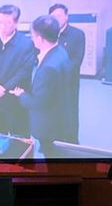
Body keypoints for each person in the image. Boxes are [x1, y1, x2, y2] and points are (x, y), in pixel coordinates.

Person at [9, 15, 70, 157]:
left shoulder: (47, 68)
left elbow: (38, 103)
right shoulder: (60, 51)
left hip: (49, 125)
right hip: (60, 115)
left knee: (51, 159)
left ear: (40, 39)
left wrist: (21, 95)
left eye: (32, 36)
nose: (32, 39)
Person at [0, 4, 36, 136]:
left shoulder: (26, 43)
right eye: (0, 22)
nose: (3, 26)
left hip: (15, 99)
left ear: (16, 23)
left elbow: (24, 71)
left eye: (7, 23)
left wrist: (3, 89)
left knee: (19, 140)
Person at [49, 4, 85, 143]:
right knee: (52, 109)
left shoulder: (77, 34)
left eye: (59, 15)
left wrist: (56, 72)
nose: (56, 19)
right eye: (53, 16)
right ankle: (54, 139)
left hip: (69, 82)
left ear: (66, 16)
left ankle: (72, 141)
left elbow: (76, 61)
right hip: (50, 82)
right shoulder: (48, 34)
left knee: (70, 110)